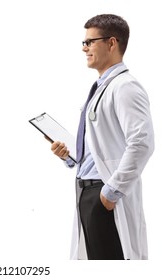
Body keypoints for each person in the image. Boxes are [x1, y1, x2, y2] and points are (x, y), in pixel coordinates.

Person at [49, 14, 154, 260]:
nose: (84, 48)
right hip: (88, 190)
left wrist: (110, 193)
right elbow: (103, 145)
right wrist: (71, 157)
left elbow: (141, 143)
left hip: (104, 195)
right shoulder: (101, 87)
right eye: (83, 43)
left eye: (90, 42)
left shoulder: (125, 86)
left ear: (111, 43)